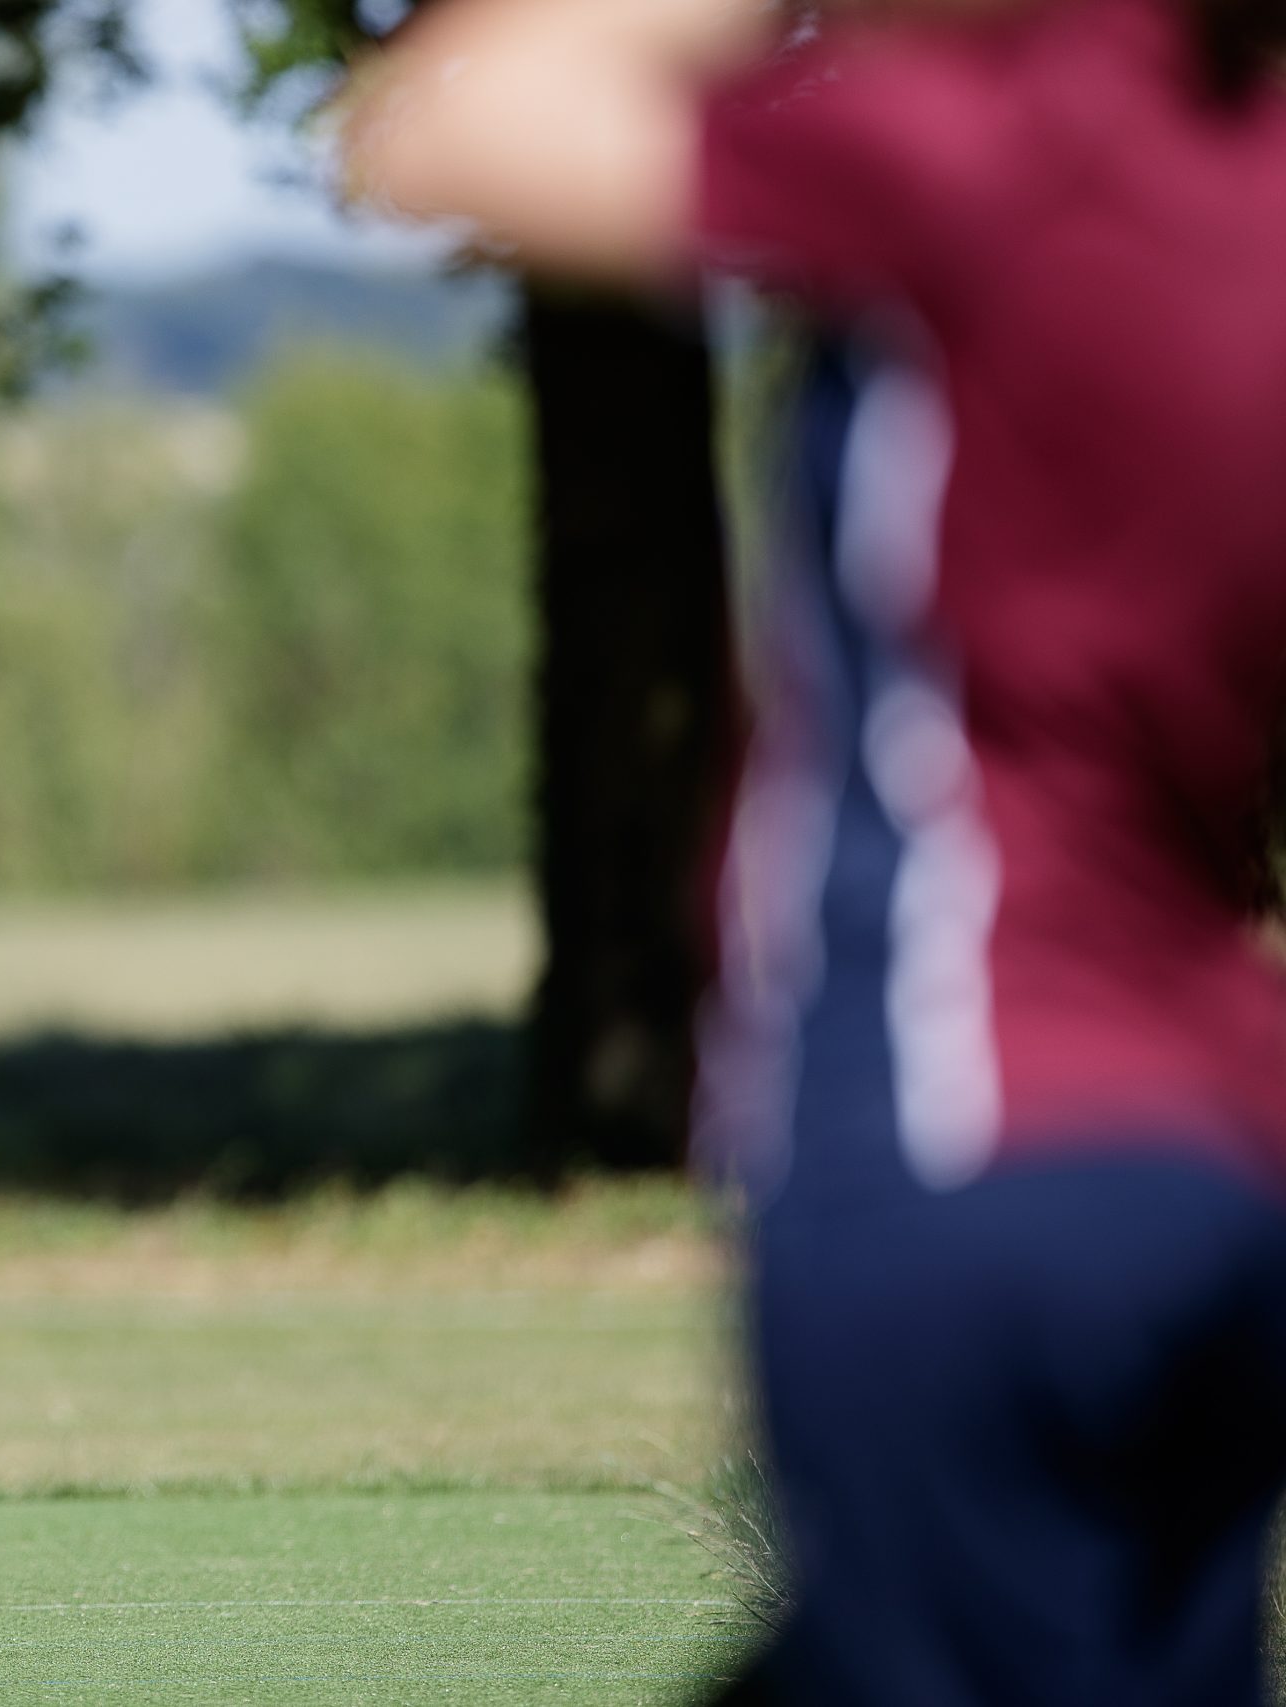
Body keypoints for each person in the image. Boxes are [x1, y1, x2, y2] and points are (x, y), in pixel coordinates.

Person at [346, 1, 1286, 1701]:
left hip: (965, 1131)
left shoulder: (999, 147)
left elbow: (446, 118)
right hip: (1219, 1156)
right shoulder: (1249, 177)